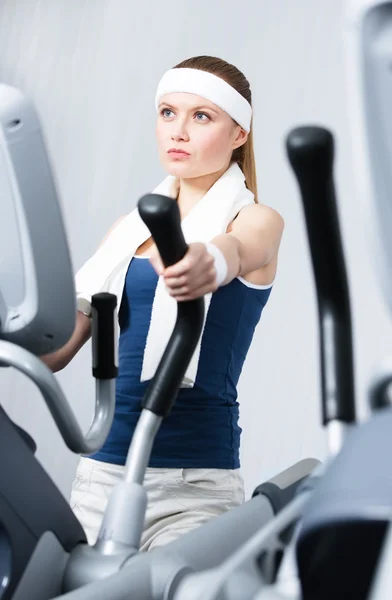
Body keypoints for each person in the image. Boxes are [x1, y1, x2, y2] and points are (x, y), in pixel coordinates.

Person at [41, 55, 285, 551]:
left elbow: (237, 251)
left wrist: (206, 264)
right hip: (101, 479)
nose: (179, 130)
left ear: (239, 134)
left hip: (194, 487)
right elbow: (60, 344)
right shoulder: (127, 232)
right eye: (168, 112)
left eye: (202, 116)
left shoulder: (255, 219)